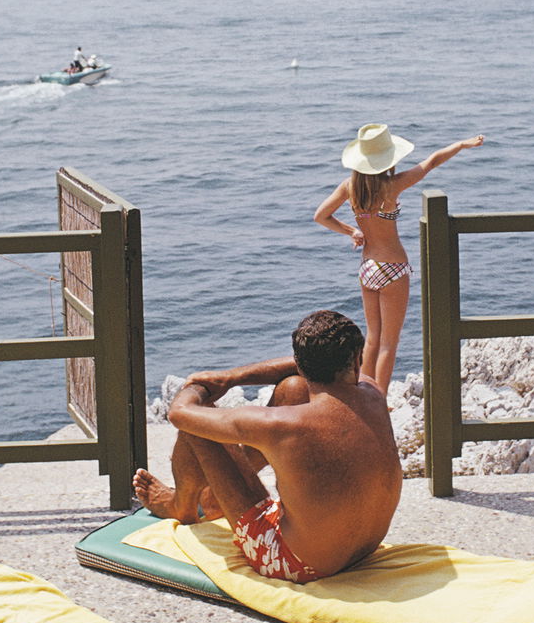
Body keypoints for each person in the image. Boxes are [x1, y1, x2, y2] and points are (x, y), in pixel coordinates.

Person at [133, 310, 401, 584]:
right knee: (293, 388)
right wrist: (231, 378)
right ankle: (215, 499)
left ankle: (181, 506)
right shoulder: (372, 392)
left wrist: (203, 386)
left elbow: (180, 413)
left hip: (297, 563)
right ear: (357, 360)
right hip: (362, 549)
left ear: (301, 361)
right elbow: (297, 373)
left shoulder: (280, 425)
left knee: (200, 425)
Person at [313, 125, 484, 393]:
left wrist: (352, 231)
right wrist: (461, 145)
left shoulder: (350, 187)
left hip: (367, 268)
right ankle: (379, 400)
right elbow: (430, 163)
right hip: (392, 268)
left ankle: (363, 394)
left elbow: (321, 215)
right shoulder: (391, 187)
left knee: (372, 339)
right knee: (389, 344)